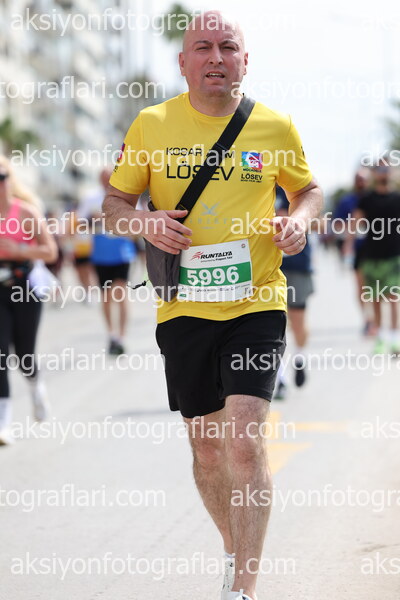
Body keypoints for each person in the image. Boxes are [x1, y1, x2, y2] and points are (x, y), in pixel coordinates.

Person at [103, 12, 323, 600]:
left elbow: (308, 190)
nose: (216, 57)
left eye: (228, 46)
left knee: (245, 439)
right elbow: (114, 205)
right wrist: (146, 222)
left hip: (258, 300)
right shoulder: (152, 124)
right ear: (184, 63)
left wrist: (299, 221)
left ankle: (242, 589)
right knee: (206, 447)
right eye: (203, 47)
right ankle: (234, 548)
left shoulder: (273, 126)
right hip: (185, 306)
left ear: (245, 61)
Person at [0, 156, 57, 445]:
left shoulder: (25, 212)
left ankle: (36, 387)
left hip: (25, 288)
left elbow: (51, 252)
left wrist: (18, 249)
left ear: (9, 179)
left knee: (24, 355)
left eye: (1, 177)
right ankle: (3, 423)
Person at [353, 162, 400, 355]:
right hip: (371, 255)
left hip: (394, 254)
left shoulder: (397, 198)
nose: (383, 173)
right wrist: (348, 248)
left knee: (394, 298)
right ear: (374, 174)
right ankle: (380, 337)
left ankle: (395, 339)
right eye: (380, 170)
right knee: (376, 299)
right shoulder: (366, 199)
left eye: (386, 169)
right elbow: (355, 225)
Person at [274, 186, 314, 399]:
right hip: (268, 267)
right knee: (273, 325)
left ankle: (299, 358)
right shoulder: (255, 182)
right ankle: (279, 379)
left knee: (297, 322)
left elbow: (314, 216)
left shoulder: (296, 186)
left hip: (297, 266)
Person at [90, 168, 136, 355]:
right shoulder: (91, 199)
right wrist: (93, 221)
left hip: (122, 254)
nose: (106, 182)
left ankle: (122, 336)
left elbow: (139, 222)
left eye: (109, 178)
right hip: (101, 256)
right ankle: (111, 334)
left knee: (120, 293)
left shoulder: (129, 195)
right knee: (107, 298)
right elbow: (77, 224)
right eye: (103, 179)